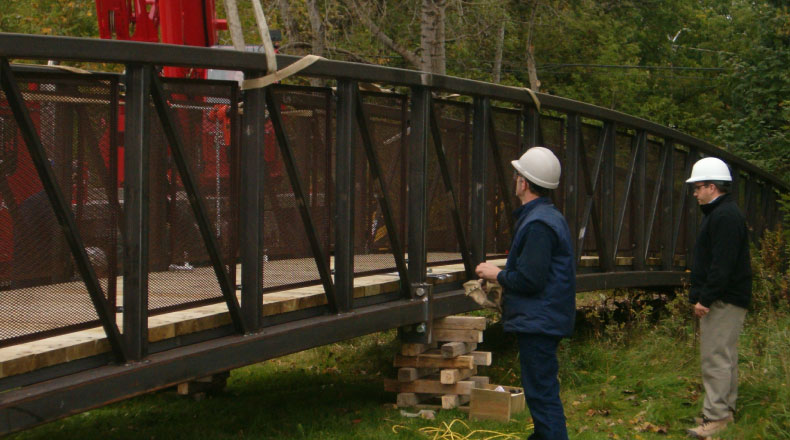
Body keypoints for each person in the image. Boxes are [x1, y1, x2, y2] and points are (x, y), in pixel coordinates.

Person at [475, 147, 575, 440]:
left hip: (539, 321)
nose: (515, 180)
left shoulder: (539, 224)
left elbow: (531, 279)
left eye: (517, 175)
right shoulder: (544, 217)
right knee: (540, 392)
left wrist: (497, 274)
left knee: (542, 395)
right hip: (542, 318)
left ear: (524, 183)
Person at [684, 157, 751, 438]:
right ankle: (725, 410)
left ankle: (716, 417)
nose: (695, 193)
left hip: (724, 299)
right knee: (725, 356)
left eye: (698, 188)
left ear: (712, 186)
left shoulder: (723, 217)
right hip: (729, 297)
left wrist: (705, 299)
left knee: (715, 359)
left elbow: (721, 265)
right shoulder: (723, 214)